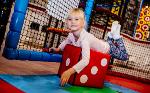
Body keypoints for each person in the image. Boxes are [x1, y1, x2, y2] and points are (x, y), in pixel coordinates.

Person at [45, 8, 128, 86]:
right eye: (70, 19)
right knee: (108, 42)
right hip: (102, 42)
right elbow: (66, 42)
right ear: (66, 22)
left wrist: (69, 71)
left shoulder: (85, 39)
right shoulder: (71, 35)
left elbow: (85, 61)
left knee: (124, 56)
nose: (73, 22)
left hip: (108, 49)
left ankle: (116, 37)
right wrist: (58, 49)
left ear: (83, 23)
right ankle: (111, 35)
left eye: (76, 19)